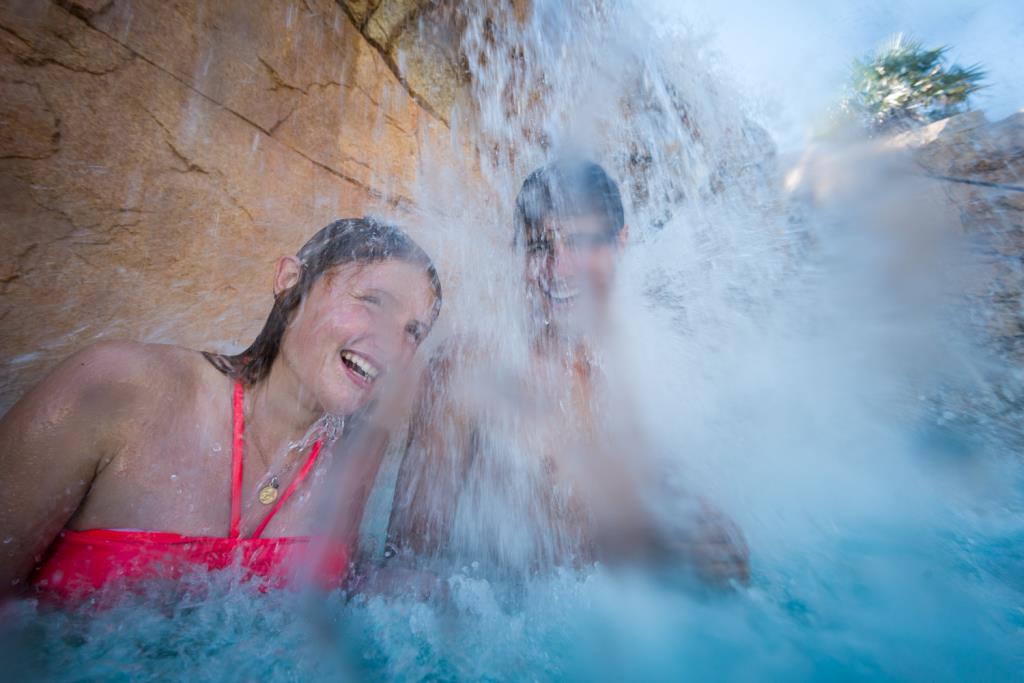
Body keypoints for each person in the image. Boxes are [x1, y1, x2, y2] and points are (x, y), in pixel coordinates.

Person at [0, 218, 441, 601]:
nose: (392, 345)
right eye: (375, 302)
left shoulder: (354, 450)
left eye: (413, 332)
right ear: (290, 280)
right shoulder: (118, 387)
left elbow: (336, 598)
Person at [379, 160, 749, 588]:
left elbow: (660, 502)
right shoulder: (468, 368)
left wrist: (708, 544)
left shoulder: (637, 363)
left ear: (620, 243)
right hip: (513, 617)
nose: (558, 268)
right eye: (539, 246)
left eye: (579, 242)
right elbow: (407, 566)